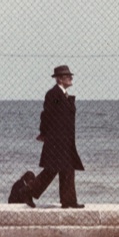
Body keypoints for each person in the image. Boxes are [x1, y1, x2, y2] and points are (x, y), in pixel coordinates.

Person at [30, 65, 85, 208]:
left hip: (65, 139)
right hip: (57, 140)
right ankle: (27, 192)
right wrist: (43, 133)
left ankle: (69, 201)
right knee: (52, 169)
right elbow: (46, 115)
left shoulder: (63, 94)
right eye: (68, 76)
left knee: (67, 168)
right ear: (60, 79)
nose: (71, 78)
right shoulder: (53, 94)